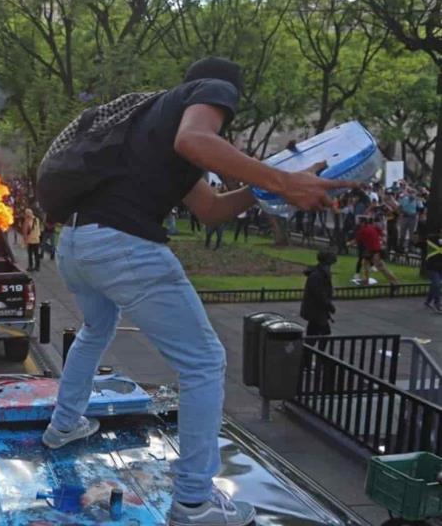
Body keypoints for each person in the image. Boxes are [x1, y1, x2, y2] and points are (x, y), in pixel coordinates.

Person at [41, 56, 352, 526]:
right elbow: (196, 138)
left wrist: (270, 184)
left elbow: (211, 210)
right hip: (123, 245)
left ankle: (63, 426)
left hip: (76, 245)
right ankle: (193, 502)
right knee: (204, 362)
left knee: (96, 327)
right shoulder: (209, 91)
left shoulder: (147, 129)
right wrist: (283, 179)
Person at [300, 250, 337, 349]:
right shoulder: (318, 274)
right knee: (322, 333)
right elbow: (319, 294)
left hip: (317, 310)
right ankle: (317, 358)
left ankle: (308, 357)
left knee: (313, 335)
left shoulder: (322, 272)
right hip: (316, 310)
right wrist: (329, 305)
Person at [355, 216, 399, 285]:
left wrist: (348, 243)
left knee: (382, 268)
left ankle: (395, 282)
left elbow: (357, 240)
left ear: (363, 223)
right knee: (365, 264)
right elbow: (383, 234)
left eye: (360, 222)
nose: (358, 223)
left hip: (374, 251)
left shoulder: (362, 230)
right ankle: (365, 280)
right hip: (373, 250)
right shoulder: (373, 227)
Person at [420, 226, 441, 312]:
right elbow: (424, 240)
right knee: (436, 284)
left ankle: (428, 301)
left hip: (440, 267)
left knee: (435, 285)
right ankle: (437, 303)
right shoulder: (432, 239)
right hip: (432, 266)